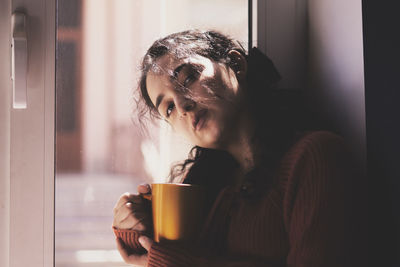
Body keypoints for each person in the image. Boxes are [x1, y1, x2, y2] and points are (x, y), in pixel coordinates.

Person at [112, 30, 364, 266]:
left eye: (188, 78)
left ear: (236, 65)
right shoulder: (206, 188)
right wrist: (138, 229)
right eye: (168, 108)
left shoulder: (316, 156)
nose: (182, 106)